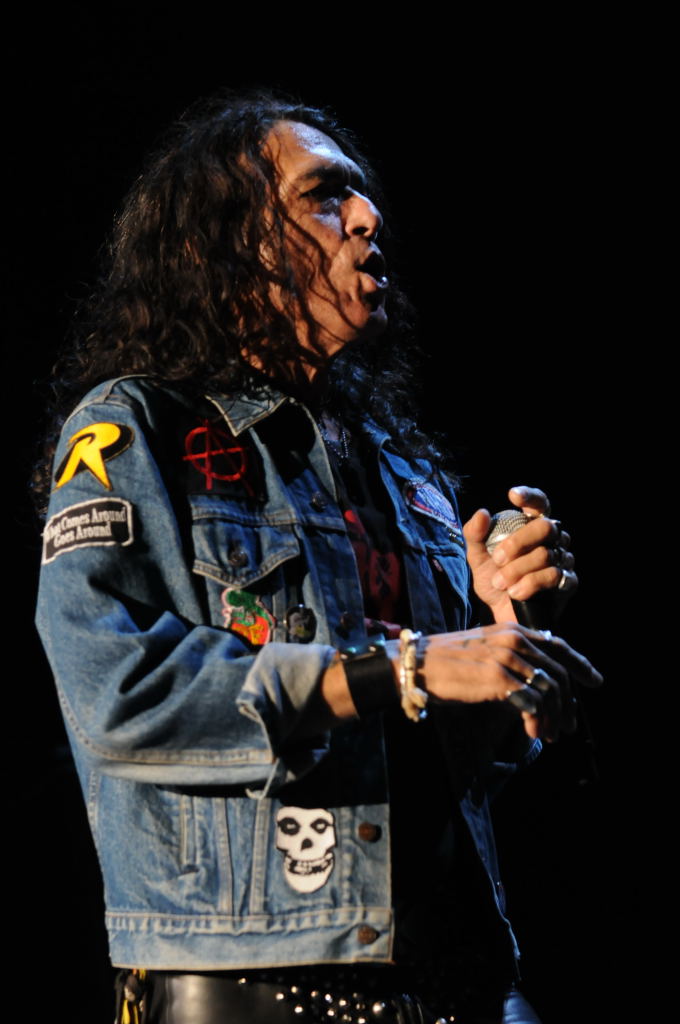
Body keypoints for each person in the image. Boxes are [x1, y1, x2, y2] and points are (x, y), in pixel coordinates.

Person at [35, 90, 601, 1024]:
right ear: (224, 240)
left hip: (462, 977)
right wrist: (407, 665)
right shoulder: (135, 429)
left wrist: (510, 638)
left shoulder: (403, 469)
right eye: (325, 195)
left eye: (363, 195)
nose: (370, 217)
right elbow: (117, 692)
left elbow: (461, 768)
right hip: (261, 985)